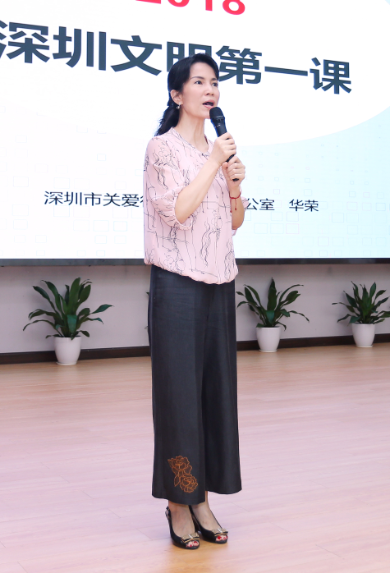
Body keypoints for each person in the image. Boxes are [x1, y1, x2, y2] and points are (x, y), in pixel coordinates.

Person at [142, 53, 247, 550]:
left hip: (219, 282)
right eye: (199, 82)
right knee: (179, 398)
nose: (211, 90)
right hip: (177, 286)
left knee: (214, 395)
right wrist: (211, 164)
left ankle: (202, 498)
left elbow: (235, 222)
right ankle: (179, 502)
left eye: (215, 82)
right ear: (176, 94)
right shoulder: (161, 148)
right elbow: (178, 212)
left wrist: (235, 185)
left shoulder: (217, 152)